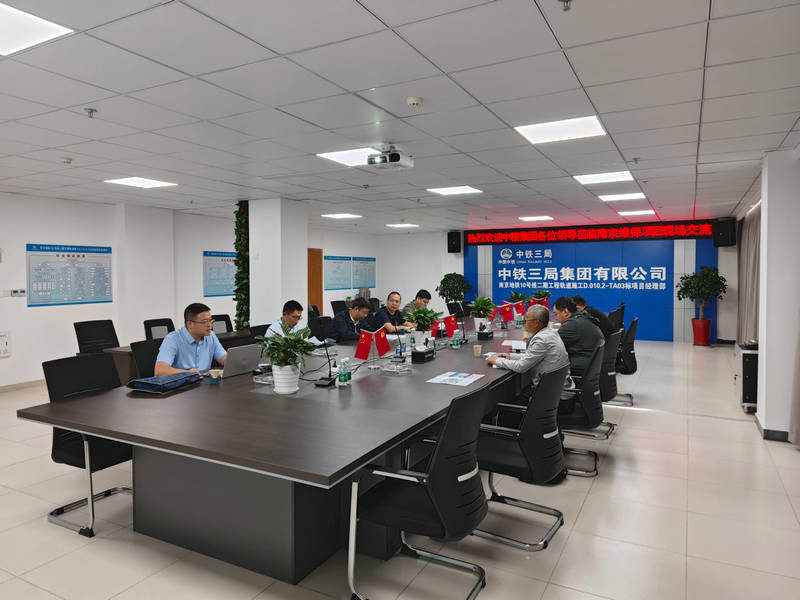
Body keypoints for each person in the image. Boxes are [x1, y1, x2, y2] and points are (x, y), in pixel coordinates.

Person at [487, 305, 571, 387]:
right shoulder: (551, 332)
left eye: (526, 319)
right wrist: (510, 356)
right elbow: (533, 356)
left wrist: (497, 361)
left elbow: (521, 367)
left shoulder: (541, 340)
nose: (524, 322)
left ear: (536, 323)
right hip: (558, 387)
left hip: (550, 391)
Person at [155, 303, 227, 375]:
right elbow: (159, 371)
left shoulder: (210, 336)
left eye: (210, 320)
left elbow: (224, 359)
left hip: (205, 380)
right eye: (204, 322)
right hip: (183, 381)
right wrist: (187, 373)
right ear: (190, 324)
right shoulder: (172, 339)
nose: (209, 325)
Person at [553, 296, 604, 379]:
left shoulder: (572, 324)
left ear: (565, 312)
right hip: (592, 364)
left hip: (582, 365)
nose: (555, 318)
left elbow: (551, 344)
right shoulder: (581, 317)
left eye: (556, 314)